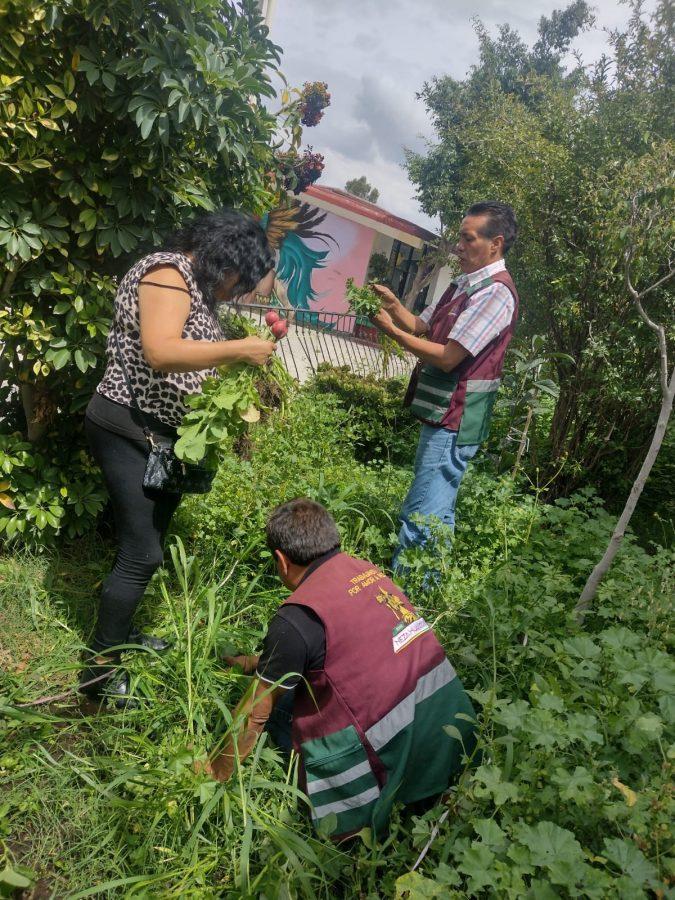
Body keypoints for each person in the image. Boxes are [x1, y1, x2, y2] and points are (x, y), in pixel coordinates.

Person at [80, 209, 277, 705]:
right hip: (127, 425)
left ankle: (121, 635)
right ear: (226, 257)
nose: (237, 289)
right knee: (141, 554)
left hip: (159, 436)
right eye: (240, 278)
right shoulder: (168, 274)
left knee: (149, 543)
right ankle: (98, 675)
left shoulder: (193, 286)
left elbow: (194, 358)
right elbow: (162, 351)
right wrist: (238, 350)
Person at [201, 499, 477, 840]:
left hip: (391, 765)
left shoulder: (296, 618)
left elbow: (253, 715)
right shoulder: (367, 571)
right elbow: (349, 646)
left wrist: (214, 771)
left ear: (281, 561)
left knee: (279, 714)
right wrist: (257, 663)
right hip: (456, 740)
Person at [370, 201, 519, 569]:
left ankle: (407, 599)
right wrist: (393, 308)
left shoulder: (495, 293)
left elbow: (450, 357)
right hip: (442, 413)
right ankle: (431, 590)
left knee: (420, 512)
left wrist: (390, 333)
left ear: (495, 244)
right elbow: (422, 326)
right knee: (437, 506)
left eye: (468, 239)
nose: (459, 246)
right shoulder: (462, 285)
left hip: (456, 418)